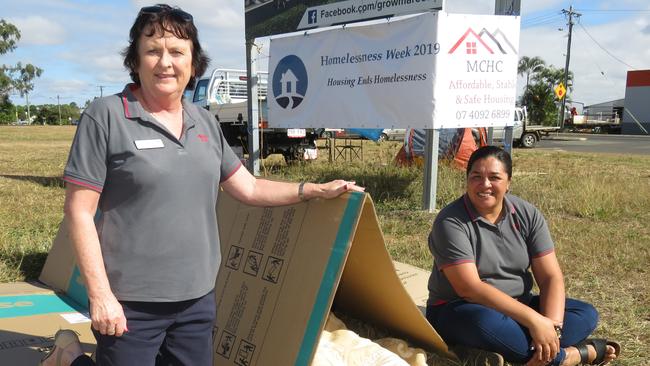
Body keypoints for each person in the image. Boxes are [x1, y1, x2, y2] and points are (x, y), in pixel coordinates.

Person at [51, 4, 364, 366]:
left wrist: (312, 190)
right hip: (130, 301)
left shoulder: (204, 121)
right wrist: (101, 295)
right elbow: (79, 211)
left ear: (194, 64)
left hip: (196, 299)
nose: (165, 62)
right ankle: (70, 355)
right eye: (152, 50)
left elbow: (247, 188)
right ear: (135, 61)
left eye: (177, 52)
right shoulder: (105, 116)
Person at [425, 146, 620, 366]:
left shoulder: (527, 214)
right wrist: (534, 321)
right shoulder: (450, 222)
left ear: (508, 183)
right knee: (484, 323)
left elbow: (550, 277)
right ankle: (573, 356)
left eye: (494, 177)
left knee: (585, 312)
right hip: (460, 308)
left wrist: (552, 327)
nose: (485, 184)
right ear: (467, 180)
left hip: (519, 305)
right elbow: (469, 288)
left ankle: (535, 350)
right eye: (476, 176)